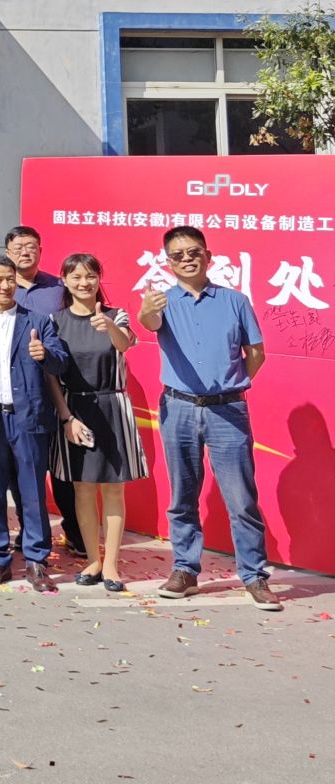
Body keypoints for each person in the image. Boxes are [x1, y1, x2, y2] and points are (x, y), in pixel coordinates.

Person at [139, 225, 280, 611]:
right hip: (178, 408)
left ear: (208, 256)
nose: (187, 259)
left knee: (241, 498)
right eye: (178, 254)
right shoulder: (162, 302)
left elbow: (256, 352)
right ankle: (185, 570)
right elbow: (148, 323)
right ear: (168, 262)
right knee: (182, 496)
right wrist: (146, 310)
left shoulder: (235, 301)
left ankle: (254, 575)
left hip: (227, 410)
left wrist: (232, 384)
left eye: (193, 252)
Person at [0, 255, 70, 593]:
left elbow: (61, 363)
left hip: (28, 418)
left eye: (11, 279)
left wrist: (45, 354)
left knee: (32, 491)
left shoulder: (37, 321)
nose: (6, 285)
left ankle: (36, 560)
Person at [48, 253, 148, 594]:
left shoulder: (115, 315)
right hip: (74, 410)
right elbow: (52, 376)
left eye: (90, 276)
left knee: (114, 489)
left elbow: (125, 344)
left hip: (112, 406)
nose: (84, 283)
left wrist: (109, 326)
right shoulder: (55, 321)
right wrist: (66, 418)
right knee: (83, 488)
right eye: (76, 276)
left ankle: (111, 564)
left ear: (98, 279)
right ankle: (92, 559)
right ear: (64, 280)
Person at [7, 225, 83, 557]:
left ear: (41, 250)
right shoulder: (1, 288)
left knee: (64, 469)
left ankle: (75, 530)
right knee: (23, 470)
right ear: (7, 253)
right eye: (18, 247)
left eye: (31, 246)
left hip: (60, 388)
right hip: (18, 393)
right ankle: (31, 530)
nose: (25, 252)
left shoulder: (58, 288)